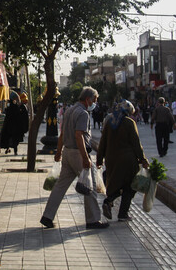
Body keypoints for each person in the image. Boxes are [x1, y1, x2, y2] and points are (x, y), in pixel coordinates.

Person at [40, 87, 108, 229]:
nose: (94, 103)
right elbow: (79, 135)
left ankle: (47, 216)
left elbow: (62, 133)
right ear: (88, 99)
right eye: (94, 100)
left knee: (60, 186)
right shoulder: (83, 113)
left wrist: (59, 152)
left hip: (67, 153)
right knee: (90, 185)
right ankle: (93, 220)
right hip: (78, 153)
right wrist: (85, 158)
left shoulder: (69, 110)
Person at [97, 100, 149, 222]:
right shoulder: (129, 122)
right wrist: (143, 159)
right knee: (130, 187)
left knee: (115, 184)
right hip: (127, 161)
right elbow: (136, 143)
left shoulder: (109, 122)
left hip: (111, 160)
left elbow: (102, 142)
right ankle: (122, 213)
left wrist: (99, 159)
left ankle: (109, 201)